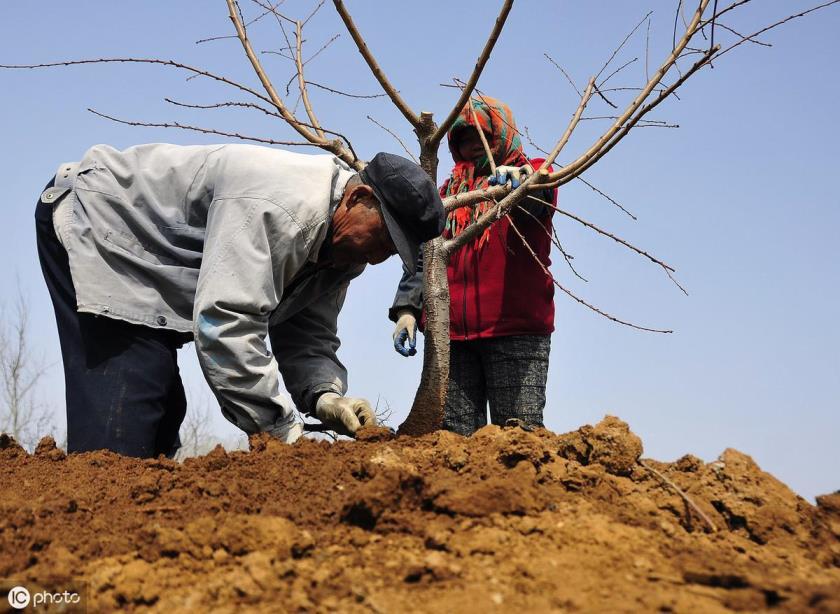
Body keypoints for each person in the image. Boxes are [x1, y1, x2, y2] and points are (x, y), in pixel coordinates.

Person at [35, 144, 445, 457]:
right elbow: (226, 326)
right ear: (357, 199)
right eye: (382, 238)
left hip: (160, 265)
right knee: (128, 415)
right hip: (104, 223)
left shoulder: (342, 251)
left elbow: (307, 333)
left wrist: (326, 396)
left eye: (392, 252)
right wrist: (281, 432)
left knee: (159, 418)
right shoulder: (282, 210)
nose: (377, 257)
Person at [389, 96, 557, 435]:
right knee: (452, 436)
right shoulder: (447, 193)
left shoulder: (533, 173)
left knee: (518, 434)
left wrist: (522, 185)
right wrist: (408, 307)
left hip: (513, 330)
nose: (472, 148)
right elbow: (426, 255)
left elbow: (540, 198)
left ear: (503, 137)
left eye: (483, 138)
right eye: (463, 141)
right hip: (450, 336)